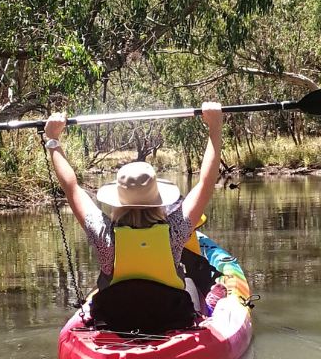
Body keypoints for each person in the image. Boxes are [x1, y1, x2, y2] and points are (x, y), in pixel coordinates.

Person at [42, 102, 224, 333]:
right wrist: (215, 128)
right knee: (188, 282)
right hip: (170, 316)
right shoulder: (175, 229)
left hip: (116, 319)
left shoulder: (103, 232)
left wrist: (53, 140)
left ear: (118, 199)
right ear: (158, 197)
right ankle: (207, 308)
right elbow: (206, 183)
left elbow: (71, 187)